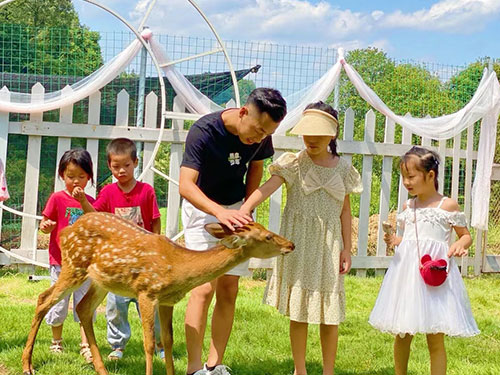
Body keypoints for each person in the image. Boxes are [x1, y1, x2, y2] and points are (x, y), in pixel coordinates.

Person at [240, 101, 362, 375]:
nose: (312, 139)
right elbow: (267, 187)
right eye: (307, 133)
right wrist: (245, 209)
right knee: (300, 312)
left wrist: (346, 249)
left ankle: (328, 371)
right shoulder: (293, 163)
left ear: (332, 134)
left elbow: (345, 213)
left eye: (319, 134)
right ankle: (300, 370)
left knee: (329, 314)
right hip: (298, 244)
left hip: (329, 248)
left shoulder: (343, 169)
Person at [179, 87, 287, 375]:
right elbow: (186, 185)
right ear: (243, 112)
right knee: (203, 288)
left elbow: (256, 169)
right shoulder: (204, 131)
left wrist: (245, 210)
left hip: (235, 209)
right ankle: (193, 369)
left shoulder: (262, 136)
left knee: (229, 288)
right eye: (258, 129)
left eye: (267, 133)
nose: (260, 137)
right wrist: (219, 212)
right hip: (203, 210)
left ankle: (213, 366)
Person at [369, 146, 480, 375]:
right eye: (403, 178)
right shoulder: (408, 207)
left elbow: (466, 235)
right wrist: (395, 240)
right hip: (407, 276)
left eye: (411, 176)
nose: (407, 182)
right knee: (402, 333)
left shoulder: (447, 205)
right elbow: (408, 240)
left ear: (430, 175)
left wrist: (460, 245)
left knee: (435, 338)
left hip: (434, 278)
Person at [76, 137, 163, 360]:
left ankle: (159, 345)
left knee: (152, 305)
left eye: (126, 165)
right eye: (116, 166)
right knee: (116, 304)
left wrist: (156, 249)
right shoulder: (107, 193)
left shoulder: (146, 191)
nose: (121, 170)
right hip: (117, 263)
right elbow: (95, 218)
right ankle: (117, 345)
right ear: (109, 166)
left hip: (144, 261)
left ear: (135, 162)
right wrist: (83, 202)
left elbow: (154, 221)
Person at [40, 148, 96, 363]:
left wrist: (83, 201)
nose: (76, 181)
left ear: (89, 177)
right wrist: (46, 226)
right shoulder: (57, 198)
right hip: (60, 262)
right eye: (71, 176)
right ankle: (56, 341)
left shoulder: (91, 201)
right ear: (62, 175)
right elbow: (44, 223)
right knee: (58, 302)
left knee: (85, 303)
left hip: (85, 264)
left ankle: (86, 344)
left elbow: (95, 219)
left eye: (81, 177)